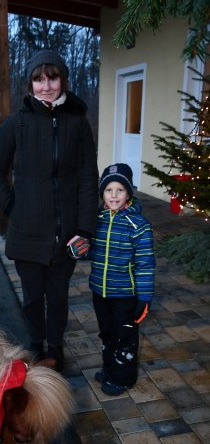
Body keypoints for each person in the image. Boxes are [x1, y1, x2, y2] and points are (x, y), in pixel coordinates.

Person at [0, 49, 99, 371]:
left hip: (66, 235)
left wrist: (84, 228)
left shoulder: (78, 123)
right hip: (27, 233)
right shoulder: (16, 123)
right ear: (30, 84)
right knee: (34, 298)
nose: (46, 86)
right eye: (39, 79)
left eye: (52, 78)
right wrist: (12, 207)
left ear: (62, 80)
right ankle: (36, 346)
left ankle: (56, 348)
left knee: (59, 298)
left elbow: (88, 178)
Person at [89, 163, 155, 396]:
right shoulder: (97, 220)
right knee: (107, 333)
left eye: (120, 190)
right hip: (100, 291)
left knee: (124, 335)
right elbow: (91, 250)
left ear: (128, 193)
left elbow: (145, 265)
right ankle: (110, 368)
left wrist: (144, 298)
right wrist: (79, 249)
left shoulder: (138, 226)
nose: (114, 195)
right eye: (109, 190)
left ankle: (123, 377)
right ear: (102, 194)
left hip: (126, 295)